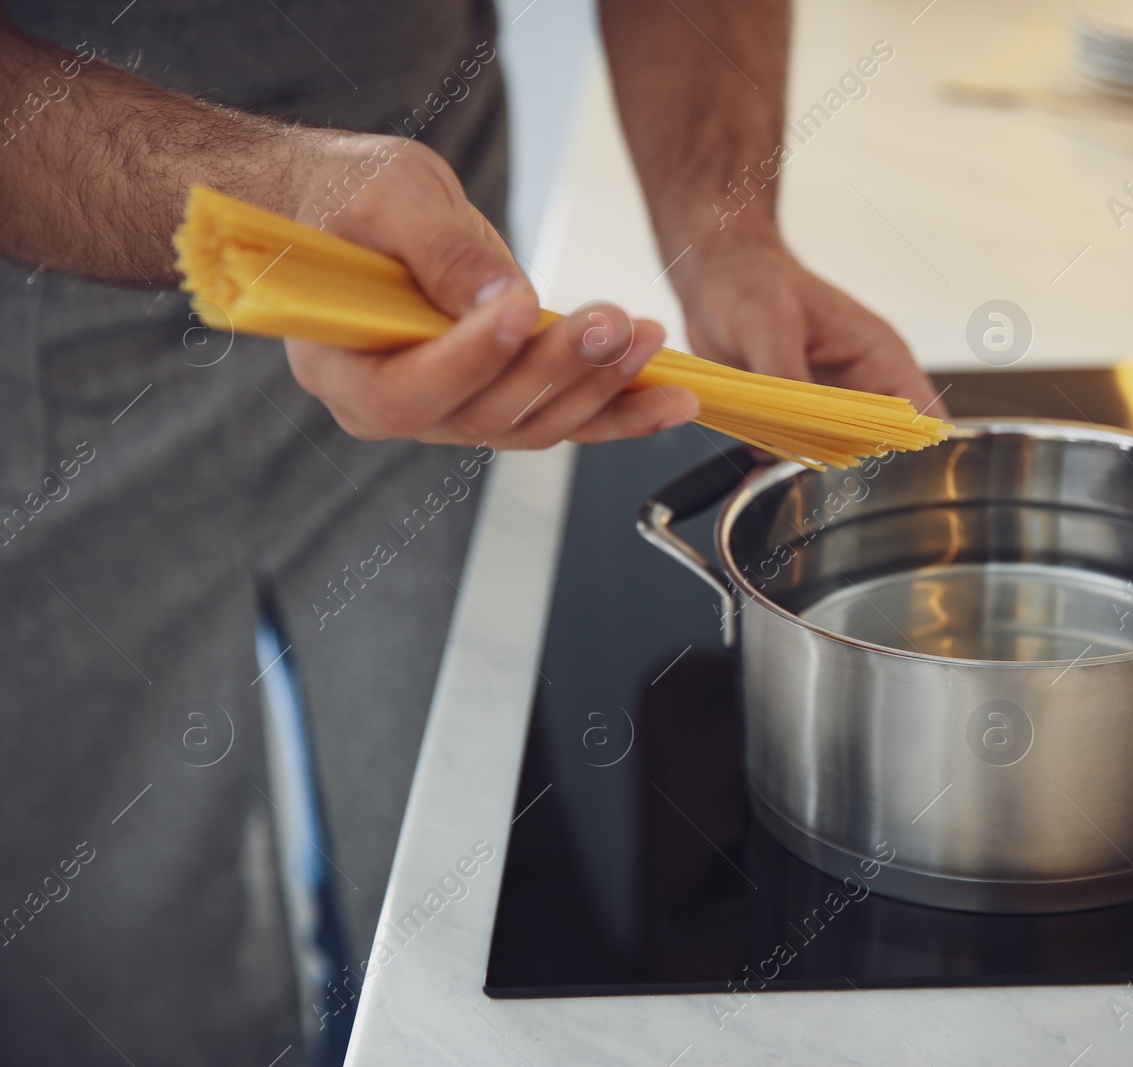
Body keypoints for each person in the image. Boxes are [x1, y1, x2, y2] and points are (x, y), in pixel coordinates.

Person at [0, 1, 939, 1062]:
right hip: (52, 346)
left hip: (422, 283)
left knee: (452, 897)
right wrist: (273, 195)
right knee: (127, 981)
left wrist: (724, 227)